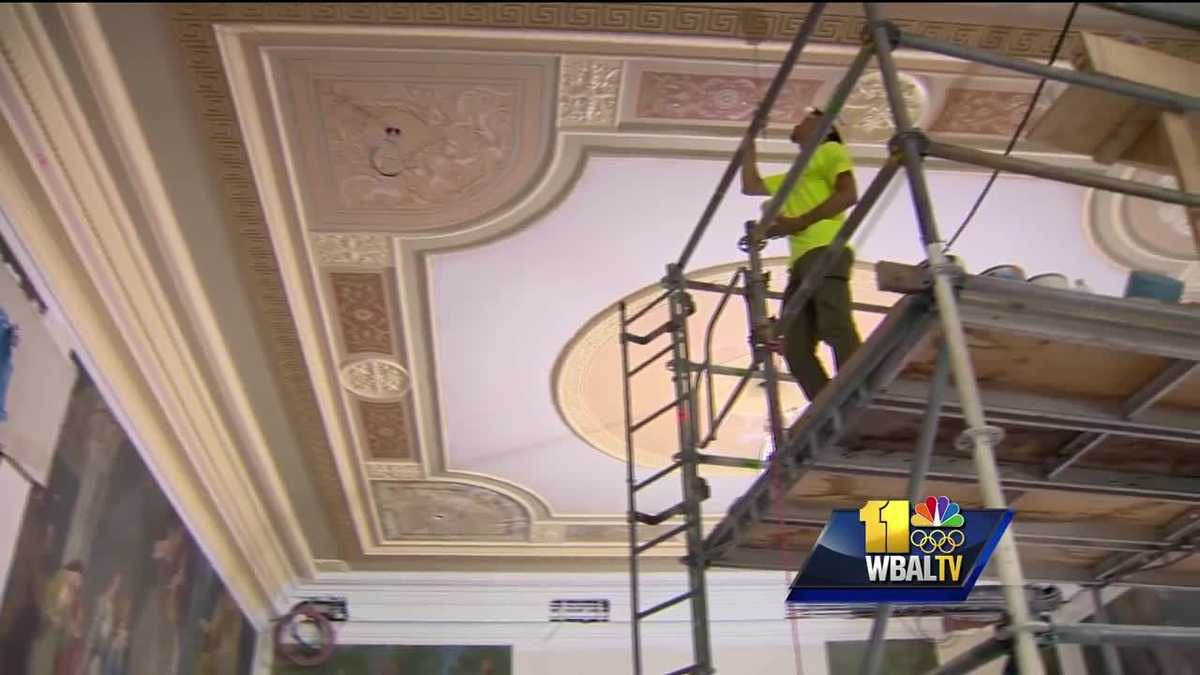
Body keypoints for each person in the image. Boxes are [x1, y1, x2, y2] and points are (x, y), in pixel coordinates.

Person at [740, 107, 862, 402]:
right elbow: (751, 185)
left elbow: (848, 194)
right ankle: (828, 407)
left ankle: (858, 393)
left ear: (824, 126)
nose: (799, 120)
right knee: (795, 347)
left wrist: (799, 222)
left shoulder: (831, 150)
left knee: (834, 323)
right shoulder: (796, 175)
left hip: (825, 248)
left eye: (806, 117)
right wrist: (750, 138)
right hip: (801, 263)